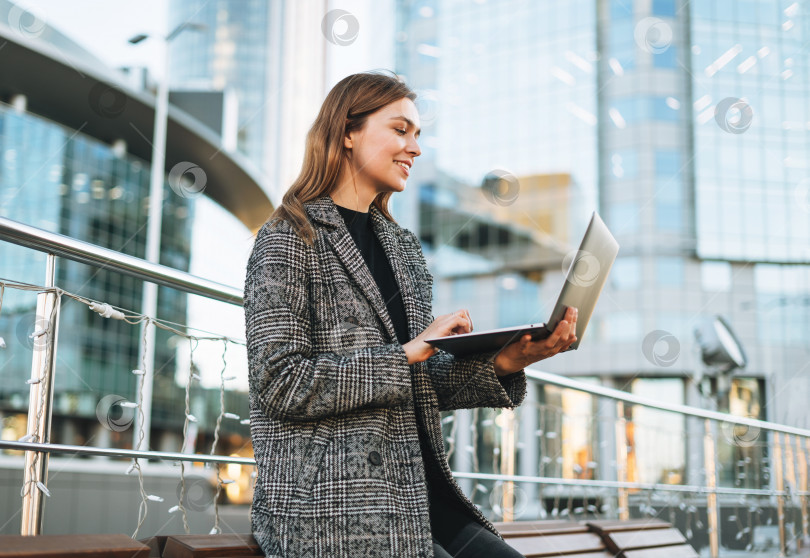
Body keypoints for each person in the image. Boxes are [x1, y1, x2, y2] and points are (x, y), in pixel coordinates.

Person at [244, 71, 578, 558]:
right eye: (401, 130)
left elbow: (415, 385)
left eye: (418, 135)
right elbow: (279, 381)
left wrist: (506, 363)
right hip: (334, 505)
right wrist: (404, 355)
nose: (415, 148)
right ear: (347, 133)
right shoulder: (289, 237)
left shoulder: (403, 250)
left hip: (417, 495)